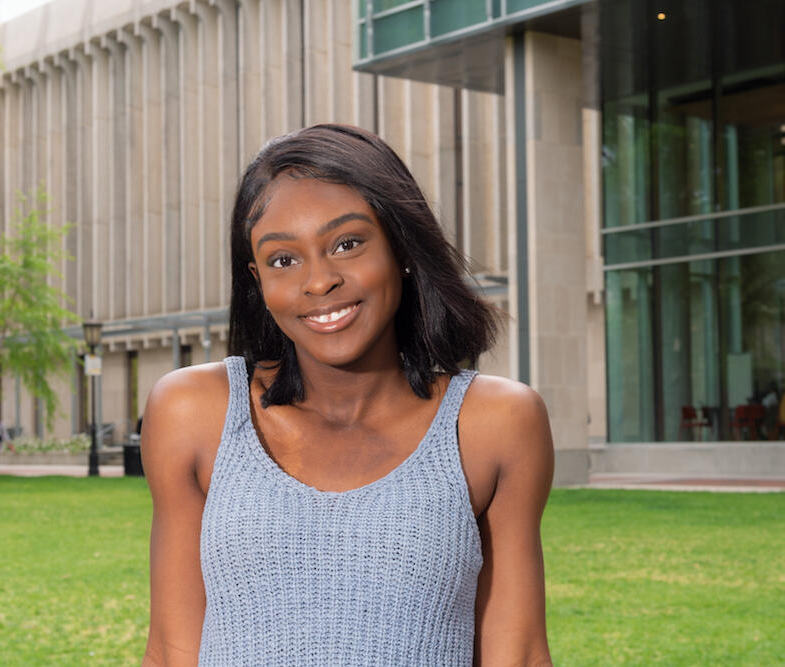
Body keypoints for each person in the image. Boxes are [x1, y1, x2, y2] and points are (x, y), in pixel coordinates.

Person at [140, 124, 555, 666]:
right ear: (257, 280)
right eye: (283, 260)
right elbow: (172, 651)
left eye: (347, 243)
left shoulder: (494, 424)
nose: (319, 282)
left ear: (401, 247)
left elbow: (517, 654)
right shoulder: (193, 412)